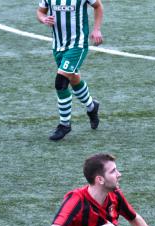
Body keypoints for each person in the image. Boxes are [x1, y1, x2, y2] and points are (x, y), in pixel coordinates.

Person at [37, 0, 103, 141]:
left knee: (61, 82)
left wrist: (96, 29)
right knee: (74, 79)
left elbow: (98, 6)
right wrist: (44, 19)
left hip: (77, 45)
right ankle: (92, 106)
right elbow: (40, 12)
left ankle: (64, 125)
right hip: (58, 46)